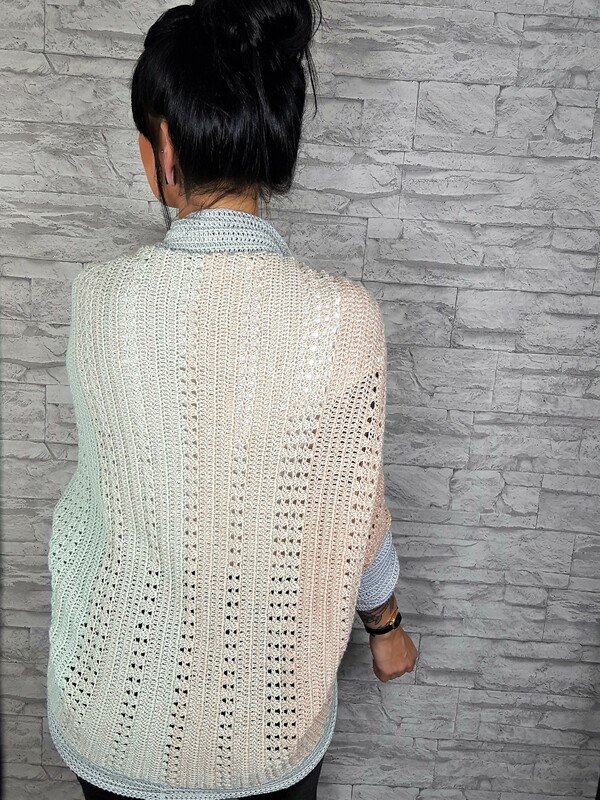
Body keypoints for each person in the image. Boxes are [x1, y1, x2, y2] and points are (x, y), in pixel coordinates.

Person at [45, 1, 418, 799]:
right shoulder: (345, 320)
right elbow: (358, 510)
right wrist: (385, 629)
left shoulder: (98, 300)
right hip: (266, 736)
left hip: (111, 716)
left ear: (164, 146)